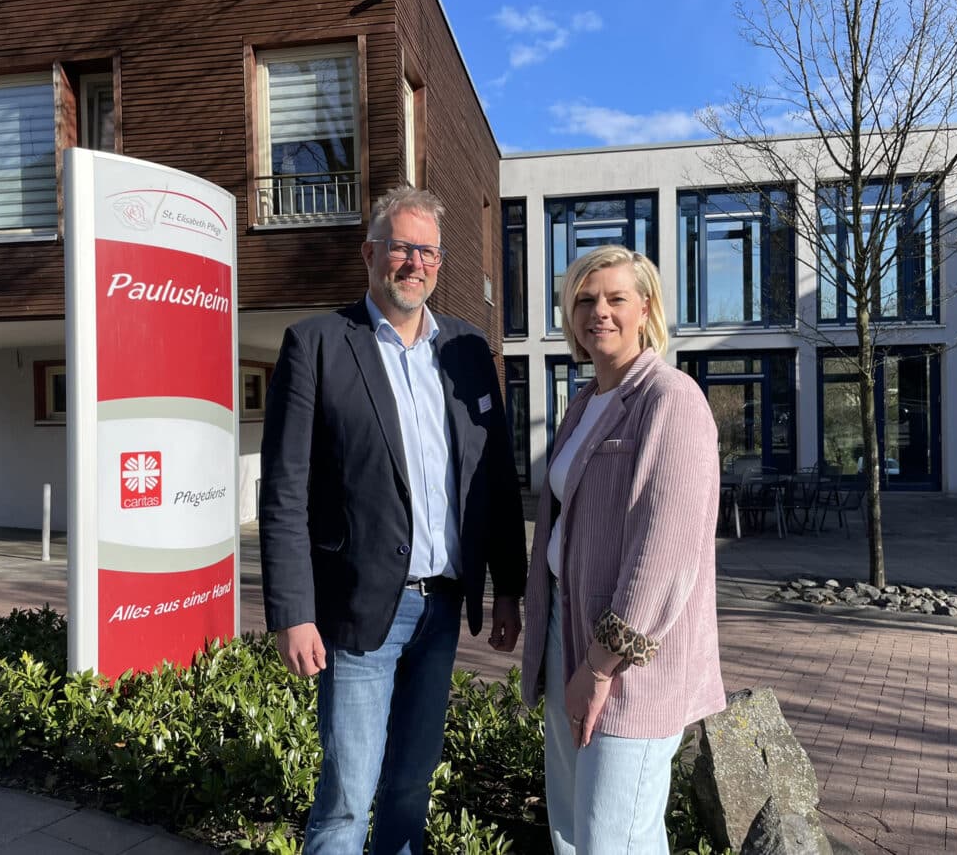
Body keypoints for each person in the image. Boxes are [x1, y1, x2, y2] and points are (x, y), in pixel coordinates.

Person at [259, 185, 528, 854]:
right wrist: (293, 610)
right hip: (358, 611)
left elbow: (492, 477)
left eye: (427, 249)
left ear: (440, 260)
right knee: (348, 796)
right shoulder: (317, 344)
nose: (415, 262)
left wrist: (510, 588)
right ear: (371, 253)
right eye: (402, 246)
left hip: (442, 609)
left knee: (411, 787)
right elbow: (286, 488)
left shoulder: (466, 349)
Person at [520, 245, 725, 854]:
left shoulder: (671, 399)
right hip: (566, 633)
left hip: (631, 661)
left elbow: (664, 555)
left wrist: (601, 664)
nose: (598, 312)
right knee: (572, 828)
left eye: (615, 298)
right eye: (584, 299)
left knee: (616, 836)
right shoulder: (582, 404)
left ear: (646, 309)